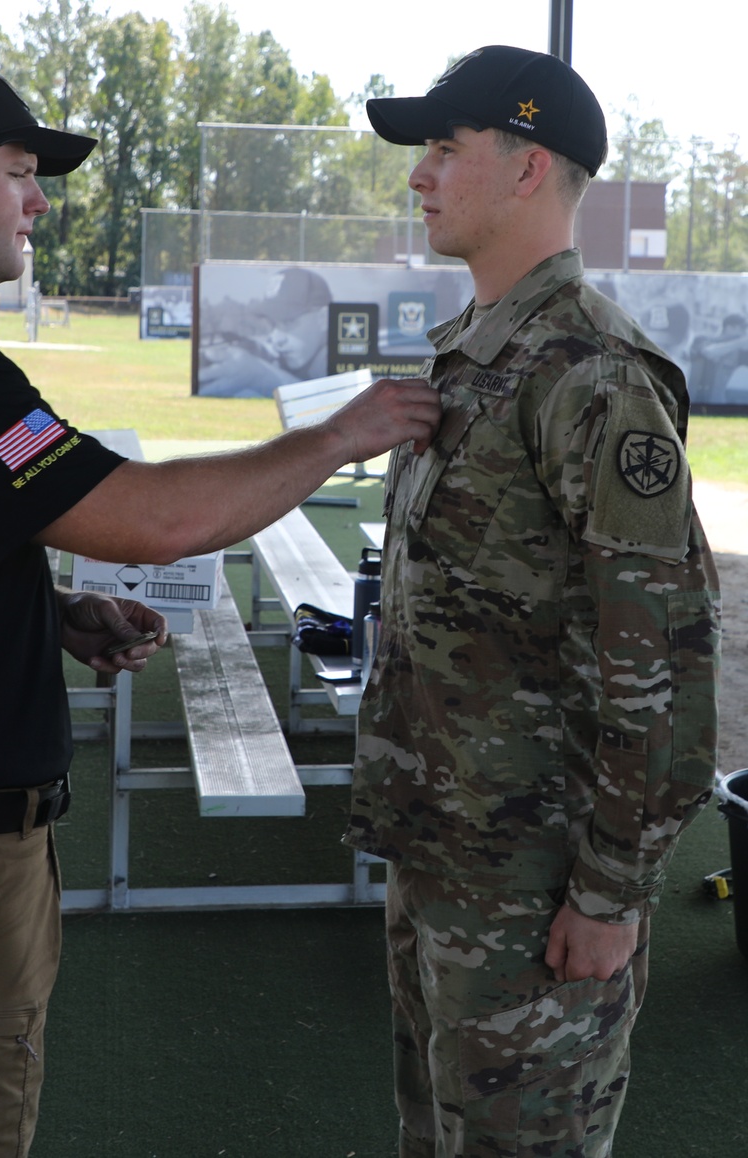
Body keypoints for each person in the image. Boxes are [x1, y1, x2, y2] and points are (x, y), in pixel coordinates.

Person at [0, 57, 440, 1156]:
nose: (39, 201)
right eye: (21, 174)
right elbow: (149, 518)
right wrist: (337, 436)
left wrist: (52, 612)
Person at [345, 45, 720, 1158]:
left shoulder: (590, 375)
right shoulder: (479, 359)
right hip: (448, 856)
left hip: (535, 885)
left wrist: (609, 893)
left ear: (526, 167)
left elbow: (661, 656)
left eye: (444, 148)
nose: (419, 175)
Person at [198, 267, 331, 395]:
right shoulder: (286, 356)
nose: (277, 339)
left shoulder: (339, 363)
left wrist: (263, 376)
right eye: (272, 324)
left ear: (323, 318)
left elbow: (332, 403)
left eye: (288, 322)